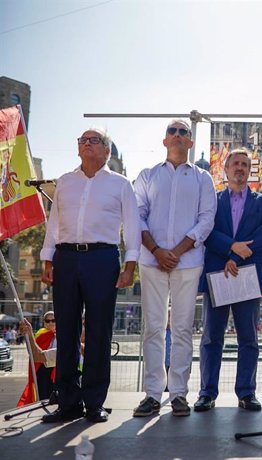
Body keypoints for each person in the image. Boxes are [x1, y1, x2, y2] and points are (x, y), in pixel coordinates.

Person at [40, 127, 140, 423]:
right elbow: (54, 223)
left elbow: (132, 226)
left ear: (107, 150)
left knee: (99, 332)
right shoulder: (65, 182)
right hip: (66, 257)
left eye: (93, 140)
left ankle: (94, 402)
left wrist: (130, 266)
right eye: (82, 140)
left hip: (102, 258)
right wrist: (48, 258)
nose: (86, 144)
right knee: (66, 330)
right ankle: (67, 401)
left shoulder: (121, 184)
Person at [132, 119, 216, 418]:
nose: (178, 135)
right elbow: (136, 216)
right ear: (165, 139)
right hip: (152, 261)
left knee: (181, 329)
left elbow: (206, 220)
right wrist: (156, 250)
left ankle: (179, 393)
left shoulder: (203, 179)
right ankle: (153, 394)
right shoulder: (147, 175)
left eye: (184, 132)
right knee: (153, 328)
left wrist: (177, 252)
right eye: (173, 131)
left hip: (188, 262)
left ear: (190, 143)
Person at [195, 147, 262, 412]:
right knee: (211, 338)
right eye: (235, 164)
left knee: (249, 338)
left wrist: (236, 256)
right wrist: (231, 248)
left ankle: (246, 392)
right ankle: (207, 393)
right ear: (226, 169)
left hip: (247, 276)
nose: (240, 168)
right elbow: (207, 230)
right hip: (218, 274)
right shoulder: (212, 201)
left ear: (249, 170)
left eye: (244, 164)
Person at [17, 312, 57, 406]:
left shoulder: (62, 334)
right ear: (44, 323)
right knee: (43, 394)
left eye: (53, 320)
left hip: (55, 369)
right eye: (48, 321)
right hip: (42, 369)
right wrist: (28, 337)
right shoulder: (40, 334)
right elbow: (32, 351)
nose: (51, 323)